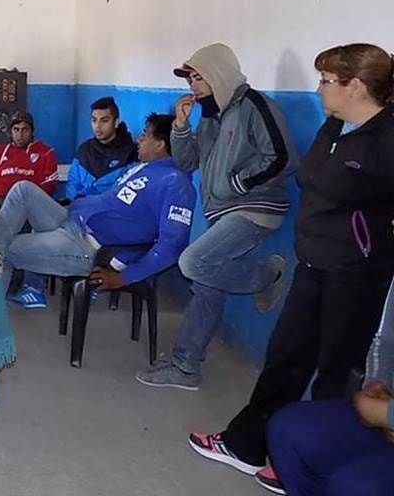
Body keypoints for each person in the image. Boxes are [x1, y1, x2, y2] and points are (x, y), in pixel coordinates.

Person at [187, 43, 394, 489]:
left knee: (338, 373)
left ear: (355, 86)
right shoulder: (335, 125)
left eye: (326, 81)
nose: (319, 89)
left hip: (356, 273)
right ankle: (248, 444)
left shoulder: (386, 139)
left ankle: (312, 465)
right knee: (286, 357)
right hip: (313, 262)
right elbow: (312, 176)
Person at [137, 43, 296, 391]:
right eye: (190, 79)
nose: (193, 86)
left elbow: (282, 156)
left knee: (192, 262)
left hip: (255, 208)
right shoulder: (210, 117)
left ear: (219, 74)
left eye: (199, 77)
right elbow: (187, 162)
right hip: (222, 212)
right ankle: (186, 367)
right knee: (207, 286)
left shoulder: (254, 105)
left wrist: (238, 184)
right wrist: (181, 127)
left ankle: (265, 276)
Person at [0, 113, 195, 309]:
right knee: (22, 190)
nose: (139, 140)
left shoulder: (176, 183)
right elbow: (104, 194)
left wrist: (125, 277)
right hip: (73, 220)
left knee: (8, 249)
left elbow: (172, 245)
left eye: (145, 135)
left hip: (87, 246)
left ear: (160, 144)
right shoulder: (141, 167)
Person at [265, 277, 394, 496]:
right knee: (287, 429)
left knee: (353, 485)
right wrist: (378, 387)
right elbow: (386, 342)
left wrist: (386, 414)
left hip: (384, 414)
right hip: (383, 411)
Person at [0, 111, 59, 240]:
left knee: (12, 232)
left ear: (32, 131)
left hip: (25, 205)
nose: (20, 134)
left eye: (25, 129)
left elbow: (49, 184)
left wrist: (31, 202)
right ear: (11, 131)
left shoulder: (45, 152)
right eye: (16, 129)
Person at [67, 96, 138, 199]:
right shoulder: (84, 150)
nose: (98, 126)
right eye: (94, 120)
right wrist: (79, 202)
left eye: (104, 121)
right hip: (80, 206)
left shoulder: (131, 153)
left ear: (116, 122)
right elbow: (72, 186)